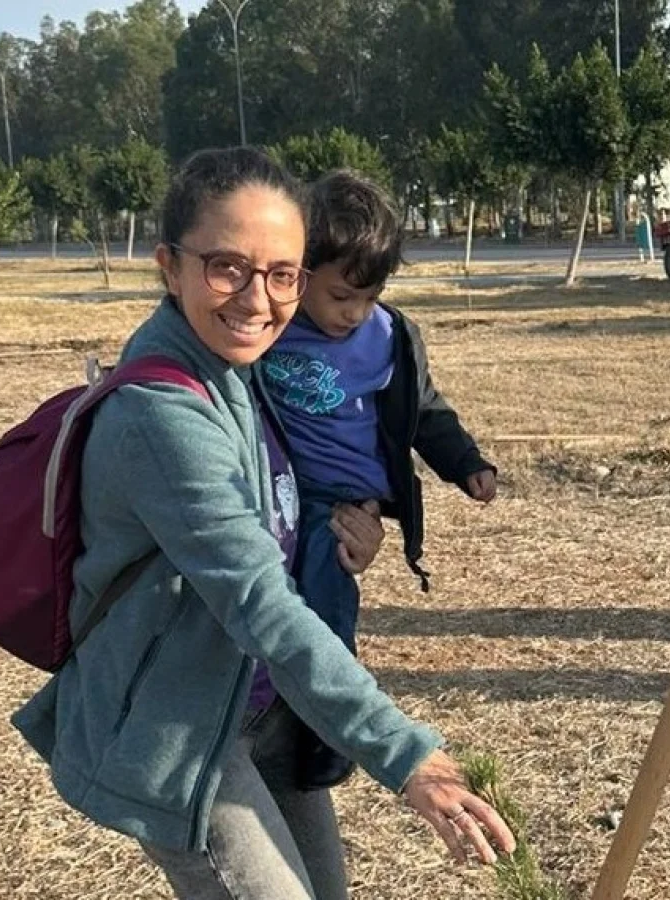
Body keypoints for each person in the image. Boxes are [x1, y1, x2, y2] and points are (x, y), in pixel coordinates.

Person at [11, 146, 515, 900]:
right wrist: (405, 754)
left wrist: (363, 521)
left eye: (283, 274)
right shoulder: (165, 415)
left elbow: (306, 492)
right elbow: (259, 600)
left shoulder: (247, 368)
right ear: (168, 266)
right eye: (226, 267)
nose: (258, 299)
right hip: (179, 731)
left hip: (259, 704)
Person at [259, 170, 497, 789]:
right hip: (279, 491)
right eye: (340, 296)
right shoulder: (268, 330)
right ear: (299, 273)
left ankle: (328, 729)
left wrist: (465, 463)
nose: (354, 312)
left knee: (326, 602)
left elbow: (424, 410)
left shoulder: (389, 338)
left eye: (369, 296)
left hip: (340, 505)